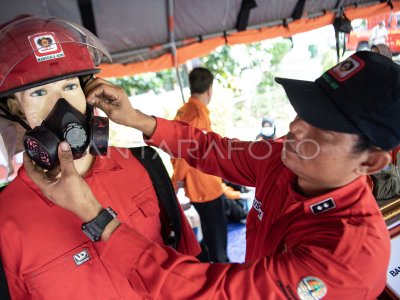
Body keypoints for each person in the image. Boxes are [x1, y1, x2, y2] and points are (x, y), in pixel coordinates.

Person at [25, 51, 398, 299]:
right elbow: (214, 150)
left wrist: (96, 217)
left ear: (371, 163)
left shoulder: (346, 255)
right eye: (304, 111)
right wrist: (137, 119)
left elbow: (212, 291)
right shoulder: (287, 157)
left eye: (324, 128)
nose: (296, 128)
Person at [0, 15, 201, 299]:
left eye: (70, 86)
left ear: (89, 92)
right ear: (15, 109)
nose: (62, 105)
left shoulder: (145, 165)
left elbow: (189, 265)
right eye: (39, 92)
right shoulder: (5, 218)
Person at [171, 67, 229, 262]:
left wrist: (178, 178)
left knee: (211, 240)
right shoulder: (197, 116)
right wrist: (176, 179)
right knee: (218, 244)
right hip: (207, 188)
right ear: (210, 89)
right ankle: (223, 279)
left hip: (197, 187)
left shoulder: (183, 111)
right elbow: (188, 153)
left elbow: (176, 148)